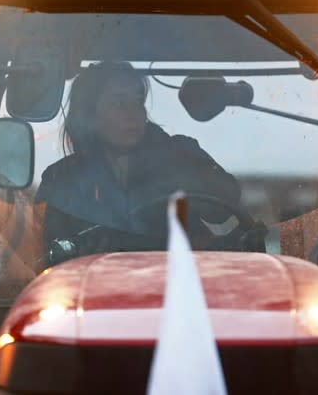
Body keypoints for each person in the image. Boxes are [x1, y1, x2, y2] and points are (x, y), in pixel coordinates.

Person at [35, 61, 244, 261]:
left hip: (182, 285)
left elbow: (226, 205)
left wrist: (181, 165)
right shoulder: (61, 179)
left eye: (138, 102)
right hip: (93, 291)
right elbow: (47, 260)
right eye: (119, 103)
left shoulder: (179, 154)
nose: (134, 113)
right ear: (89, 114)